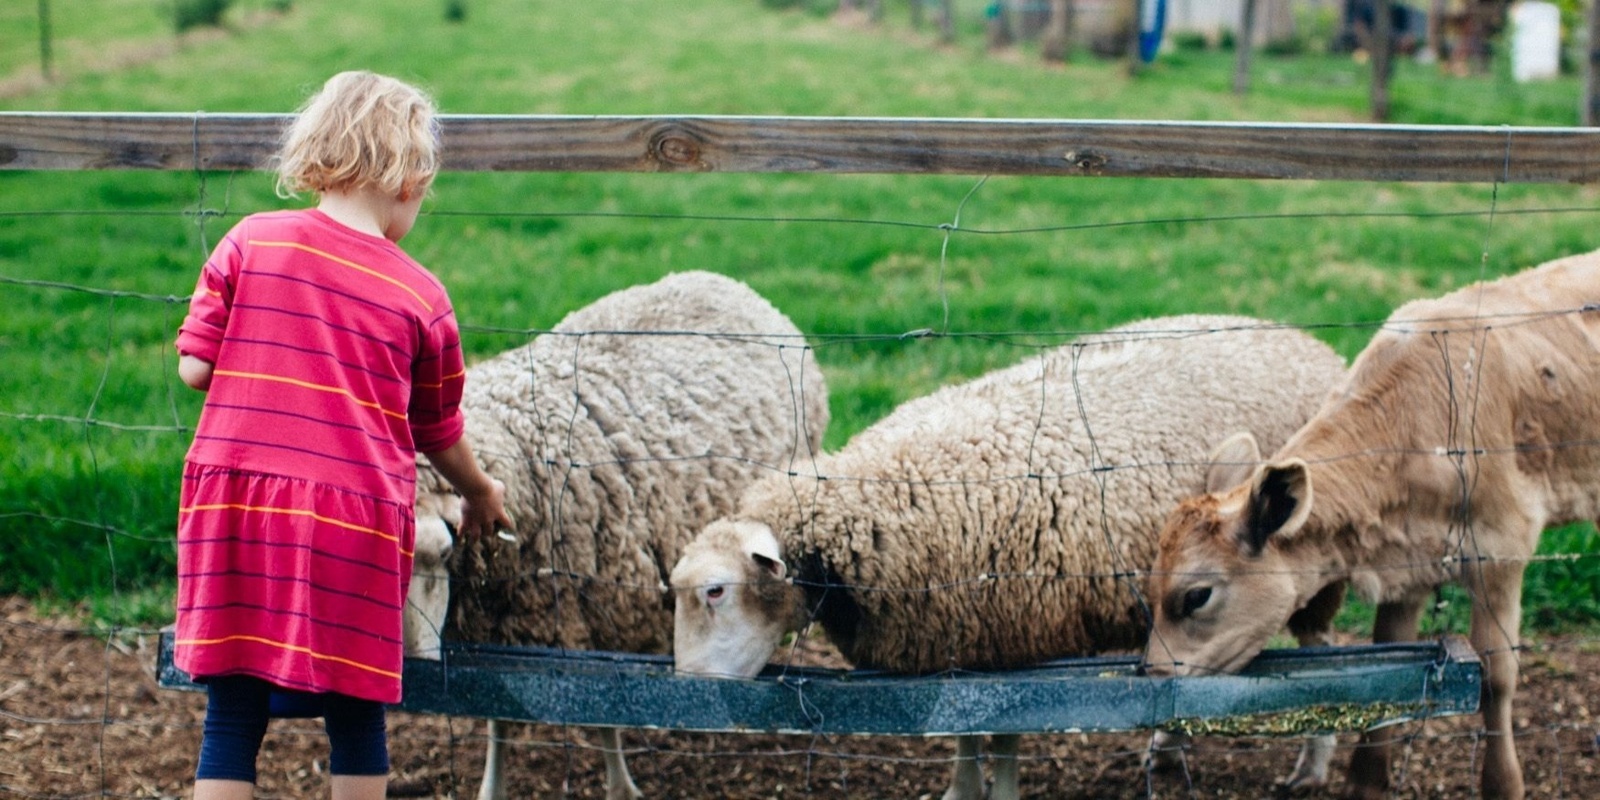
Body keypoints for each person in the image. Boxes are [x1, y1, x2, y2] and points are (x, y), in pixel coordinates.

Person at [172, 70, 510, 800]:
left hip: (236, 508)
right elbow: (437, 428)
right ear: (411, 180)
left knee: (230, 713)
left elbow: (196, 368)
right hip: (351, 520)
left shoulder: (248, 240)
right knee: (356, 714)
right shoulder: (421, 295)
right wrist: (479, 491)